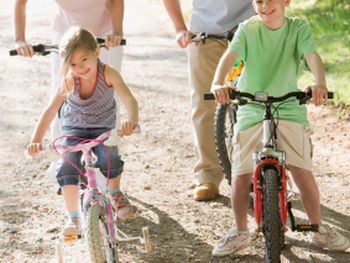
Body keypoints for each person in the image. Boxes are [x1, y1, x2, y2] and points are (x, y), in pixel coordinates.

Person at [211, 0, 350, 256]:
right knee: (241, 176)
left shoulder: (297, 28)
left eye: (271, 0)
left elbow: (312, 56)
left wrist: (319, 83)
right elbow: (229, 56)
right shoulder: (247, 29)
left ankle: (316, 227)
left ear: (286, 1)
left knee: (302, 172)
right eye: (258, 1)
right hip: (252, 107)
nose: (265, 6)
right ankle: (241, 230)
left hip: (287, 107)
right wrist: (218, 83)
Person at [26, 27, 138, 237]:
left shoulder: (108, 73)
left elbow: (129, 99)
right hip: (74, 129)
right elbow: (50, 110)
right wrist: (35, 140)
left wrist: (132, 120)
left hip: (103, 128)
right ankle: (74, 218)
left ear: (96, 51)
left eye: (84, 59)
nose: (79, 68)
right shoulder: (69, 80)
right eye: (73, 64)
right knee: (67, 164)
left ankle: (115, 193)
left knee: (109, 157)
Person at [162, 0, 255, 201]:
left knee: (259, 98)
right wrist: (180, 28)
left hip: (251, 24)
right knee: (205, 102)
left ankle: (262, 166)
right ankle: (207, 175)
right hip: (205, 30)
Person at [14, 0, 124, 139]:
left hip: (105, 34)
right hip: (67, 36)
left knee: (109, 88)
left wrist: (117, 31)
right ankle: (61, 151)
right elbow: (21, 3)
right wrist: (20, 40)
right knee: (61, 89)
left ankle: (110, 148)